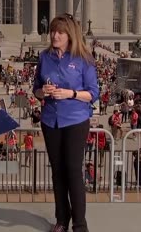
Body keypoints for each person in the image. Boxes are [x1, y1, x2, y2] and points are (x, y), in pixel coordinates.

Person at [33, 13, 99, 232]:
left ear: (70, 35)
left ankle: (80, 224)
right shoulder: (44, 57)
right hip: (51, 120)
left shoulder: (84, 59)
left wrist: (70, 93)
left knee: (73, 170)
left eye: (60, 32)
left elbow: (93, 93)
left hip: (75, 120)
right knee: (57, 171)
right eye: (53, 31)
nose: (54, 35)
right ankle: (62, 219)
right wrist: (43, 92)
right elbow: (36, 89)